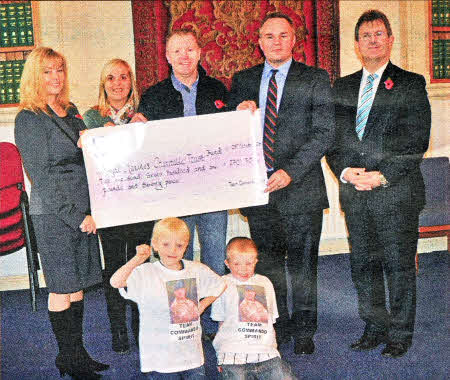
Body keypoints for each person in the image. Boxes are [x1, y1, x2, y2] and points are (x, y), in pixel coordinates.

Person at [326, 10, 431, 359]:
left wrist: (381, 175)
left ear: (390, 40)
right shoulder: (341, 87)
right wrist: (345, 172)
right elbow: (333, 140)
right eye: (365, 35)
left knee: (399, 267)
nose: (372, 39)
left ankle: (400, 334)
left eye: (379, 34)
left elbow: (416, 140)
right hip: (355, 193)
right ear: (357, 44)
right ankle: (374, 327)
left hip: (396, 192)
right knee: (364, 265)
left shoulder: (411, 83)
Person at [227, 12, 335, 354]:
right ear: (259, 42)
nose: (276, 42)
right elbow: (228, 135)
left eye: (283, 35)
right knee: (269, 266)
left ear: (294, 40)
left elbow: (324, 132)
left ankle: (304, 332)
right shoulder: (243, 80)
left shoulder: (315, 78)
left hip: (300, 188)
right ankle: (278, 325)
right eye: (269, 36)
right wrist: (237, 114)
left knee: (303, 267)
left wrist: (290, 171)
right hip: (260, 194)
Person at [14, 47, 108, 380]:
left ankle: (78, 353)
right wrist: (75, 215)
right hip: (55, 212)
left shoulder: (71, 110)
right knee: (60, 287)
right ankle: (66, 357)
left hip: (82, 207)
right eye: (47, 72)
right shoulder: (29, 117)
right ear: (34, 77)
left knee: (78, 284)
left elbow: (91, 153)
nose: (56, 78)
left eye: (60, 70)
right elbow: (40, 174)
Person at [138, 29, 229, 337]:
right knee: (180, 257)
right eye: (177, 51)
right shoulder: (154, 94)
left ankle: (214, 322)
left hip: (214, 190)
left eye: (189, 49)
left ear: (199, 53)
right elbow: (141, 138)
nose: (184, 56)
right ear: (167, 57)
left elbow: (235, 134)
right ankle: (185, 320)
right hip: (176, 193)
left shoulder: (218, 89)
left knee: (215, 253)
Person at [82, 58, 154, 354]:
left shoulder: (144, 115)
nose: (117, 83)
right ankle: (118, 331)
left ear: (131, 82)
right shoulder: (90, 117)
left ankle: (140, 328)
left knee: (140, 265)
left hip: (142, 205)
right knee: (113, 267)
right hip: (109, 205)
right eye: (111, 78)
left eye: (123, 77)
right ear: (103, 84)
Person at [110, 217, 226, 378]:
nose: (172, 250)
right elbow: (116, 282)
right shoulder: (147, 272)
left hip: (192, 356)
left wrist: (203, 305)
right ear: (155, 245)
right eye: (166, 244)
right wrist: (137, 259)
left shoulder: (196, 269)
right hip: (160, 359)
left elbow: (220, 284)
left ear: (186, 246)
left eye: (179, 245)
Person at [211, 237, 297, 380]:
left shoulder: (265, 283)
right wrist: (221, 355)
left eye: (249, 263)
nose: (243, 269)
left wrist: (272, 348)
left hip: (265, 353)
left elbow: (271, 320)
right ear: (227, 263)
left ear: (256, 261)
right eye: (237, 264)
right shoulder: (222, 284)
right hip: (232, 354)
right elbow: (220, 321)